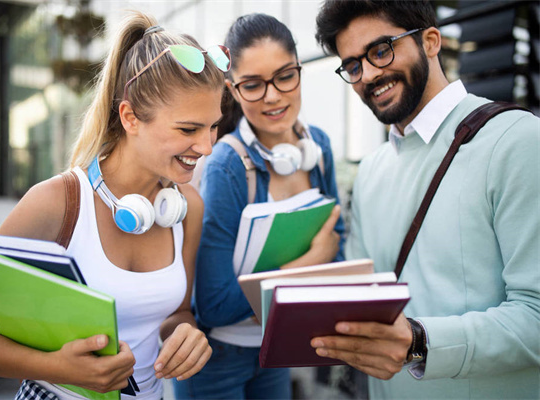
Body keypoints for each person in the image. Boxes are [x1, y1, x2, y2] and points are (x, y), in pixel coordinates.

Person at [0, 11, 230, 400]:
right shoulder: (56, 203)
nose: (207, 146)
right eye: (188, 129)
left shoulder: (186, 207)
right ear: (129, 117)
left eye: (213, 126)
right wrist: (57, 367)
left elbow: (176, 313)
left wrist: (185, 332)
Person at [311, 1, 540, 399]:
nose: (368, 75)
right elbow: (368, 303)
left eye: (381, 50)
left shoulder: (517, 141)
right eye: (352, 65)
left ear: (431, 41)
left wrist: (420, 341)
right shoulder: (371, 171)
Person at [173, 13, 346, 400]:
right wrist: (308, 264)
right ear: (233, 91)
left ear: (300, 72)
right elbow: (215, 306)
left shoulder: (317, 149)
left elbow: (339, 248)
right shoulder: (227, 166)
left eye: (285, 76)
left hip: (278, 347)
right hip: (217, 360)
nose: (272, 95)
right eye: (252, 85)